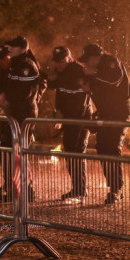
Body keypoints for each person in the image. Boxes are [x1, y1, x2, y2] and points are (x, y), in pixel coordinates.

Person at [79, 43, 130, 204]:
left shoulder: (111, 62)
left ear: (96, 58)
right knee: (102, 148)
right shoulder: (93, 71)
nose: (86, 64)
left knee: (113, 148)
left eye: (88, 61)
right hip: (104, 113)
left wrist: (93, 75)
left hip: (119, 113)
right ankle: (113, 187)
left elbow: (113, 81)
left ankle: (116, 189)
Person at [0, 36, 43, 202]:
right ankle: (13, 187)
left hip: (23, 114)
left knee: (20, 152)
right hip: (13, 113)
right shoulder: (14, 64)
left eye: (13, 47)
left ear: (22, 48)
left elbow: (25, 93)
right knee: (8, 150)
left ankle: (27, 189)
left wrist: (7, 98)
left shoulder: (26, 65)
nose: (9, 49)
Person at [47, 45, 92, 201]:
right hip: (69, 118)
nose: (58, 64)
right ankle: (78, 188)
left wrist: (61, 113)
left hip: (80, 118)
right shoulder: (61, 72)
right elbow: (56, 88)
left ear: (69, 57)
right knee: (70, 151)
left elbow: (81, 100)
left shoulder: (79, 71)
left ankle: (80, 189)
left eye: (61, 61)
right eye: (56, 61)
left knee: (76, 152)